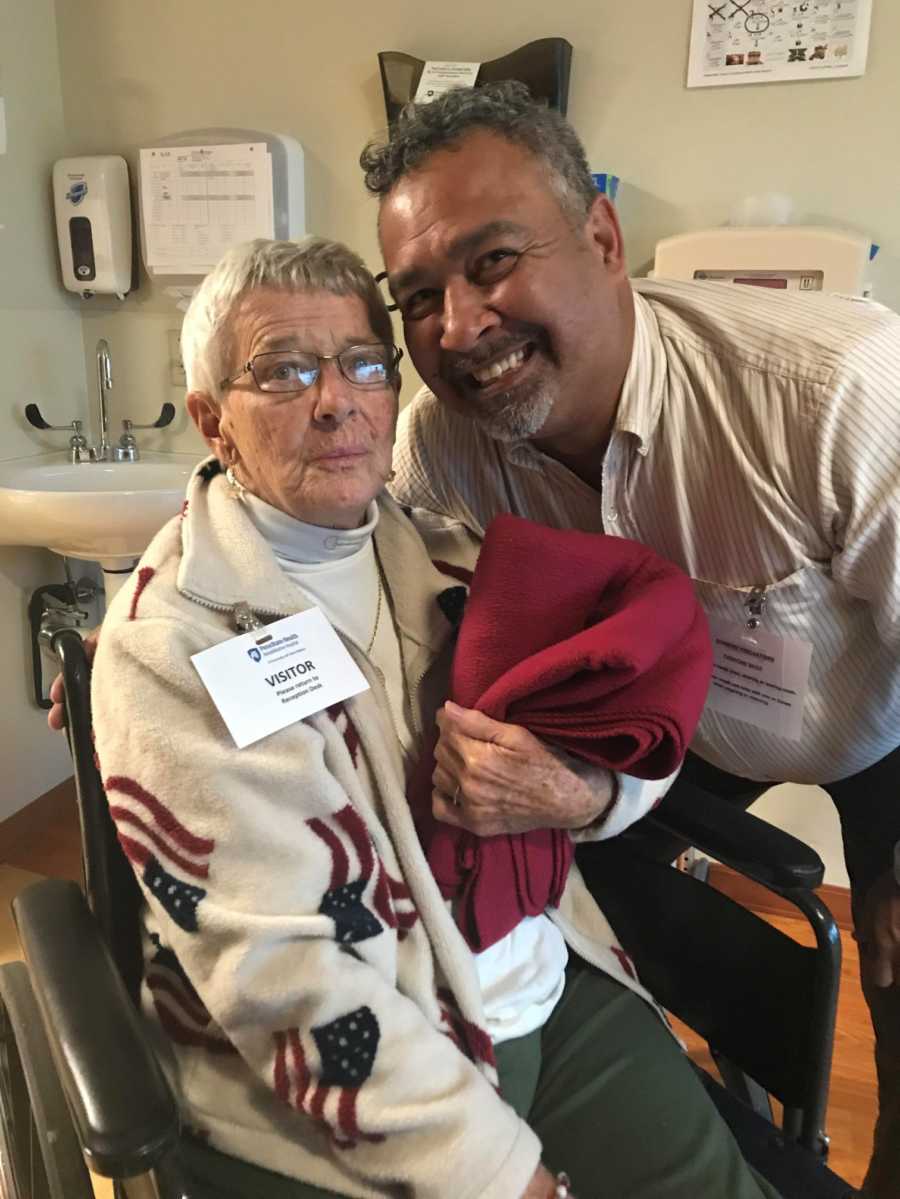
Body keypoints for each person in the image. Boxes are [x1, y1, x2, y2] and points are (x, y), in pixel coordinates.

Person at [87, 236, 780, 1199]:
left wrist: (587, 790)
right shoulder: (172, 643)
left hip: (539, 992)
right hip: (345, 1066)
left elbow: (644, 721)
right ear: (214, 423)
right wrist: (505, 1177)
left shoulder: (456, 561)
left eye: (363, 364)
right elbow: (282, 970)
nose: (336, 401)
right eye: (282, 372)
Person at [359, 81, 900, 1198]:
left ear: (603, 239)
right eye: (418, 295)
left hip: (874, 720)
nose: (457, 327)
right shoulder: (445, 439)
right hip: (666, 725)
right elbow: (327, 539)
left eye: (494, 260)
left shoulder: (833, 390)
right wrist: (167, 632)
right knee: (594, 924)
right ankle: (699, 1105)